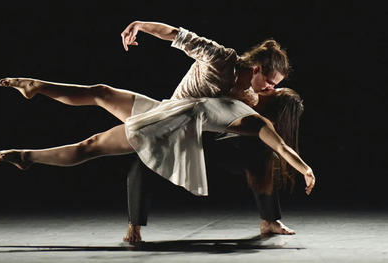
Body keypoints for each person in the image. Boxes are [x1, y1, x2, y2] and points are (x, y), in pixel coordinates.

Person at [0, 78, 316, 241]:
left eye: (274, 89)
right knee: (101, 91)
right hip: (164, 108)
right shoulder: (244, 94)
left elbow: (282, 150)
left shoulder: (259, 123)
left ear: (275, 106)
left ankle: (28, 157)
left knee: (90, 145)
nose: (269, 87)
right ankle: (37, 87)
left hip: (166, 125)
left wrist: (305, 169)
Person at [118, 21, 293, 242]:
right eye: (270, 82)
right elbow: (176, 35)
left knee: (262, 150)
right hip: (176, 130)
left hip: (211, 140)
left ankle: (270, 220)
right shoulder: (220, 58)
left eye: (275, 85)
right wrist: (140, 25)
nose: (271, 88)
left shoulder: (252, 92)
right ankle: (134, 228)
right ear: (256, 68)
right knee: (142, 158)